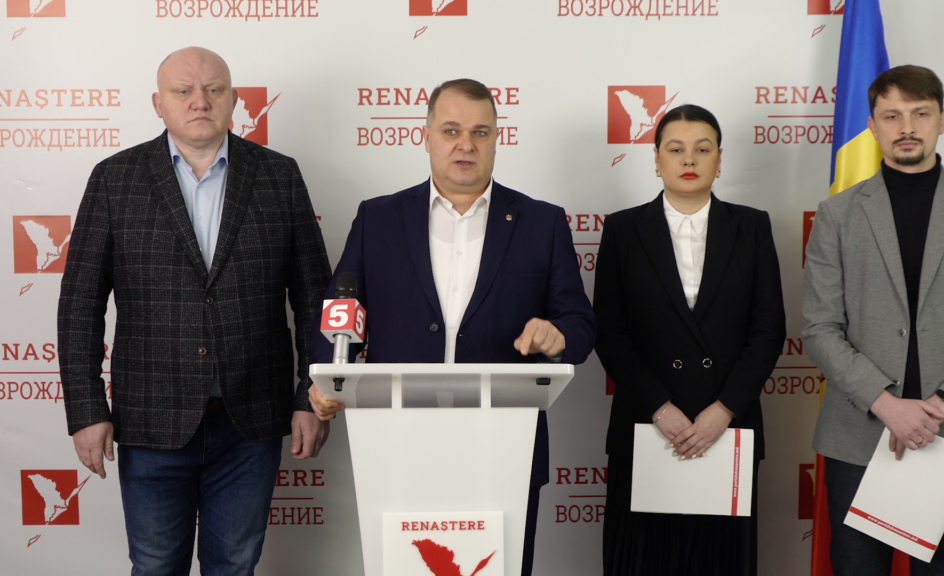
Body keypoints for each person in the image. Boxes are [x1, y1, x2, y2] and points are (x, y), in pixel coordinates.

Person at [57, 47, 332, 575]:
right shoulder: (115, 179)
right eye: (183, 91)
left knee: (235, 566)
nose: (199, 101)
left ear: (234, 99)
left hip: (251, 419)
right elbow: (79, 305)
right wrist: (87, 410)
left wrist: (309, 397)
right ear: (158, 103)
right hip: (150, 420)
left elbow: (314, 298)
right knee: (156, 565)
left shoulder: (279, 176)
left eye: (213, 89)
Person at [306, 78, 596, 576]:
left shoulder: (541, 222)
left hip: (505, 445)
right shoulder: (378, 218)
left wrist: (559, 336)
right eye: (451, 130)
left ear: (497, 138)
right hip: (396, 442)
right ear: (425, 136)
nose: (466, 144)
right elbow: (340, 312)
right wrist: (324, 380)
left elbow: (580, 325)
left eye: (480, 132)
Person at [803, 65, 944, 576]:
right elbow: (819, 328)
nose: (907, 127)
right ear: (872, 126)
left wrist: (939, 405)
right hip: (857, 439)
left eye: (920, 114)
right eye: (892, 116)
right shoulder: (836, 215)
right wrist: (887, 405)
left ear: (942, 120)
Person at [593, 104, 786, 575]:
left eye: (703, 149)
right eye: (675, 149)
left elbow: (768, 330)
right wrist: (660, 407)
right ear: (656, 159)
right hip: (646, 426)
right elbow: (610, 332)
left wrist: (724, 410)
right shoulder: (622, 229)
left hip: (728, 430)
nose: (689, 159)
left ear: (720, 160)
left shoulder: (752, 226)